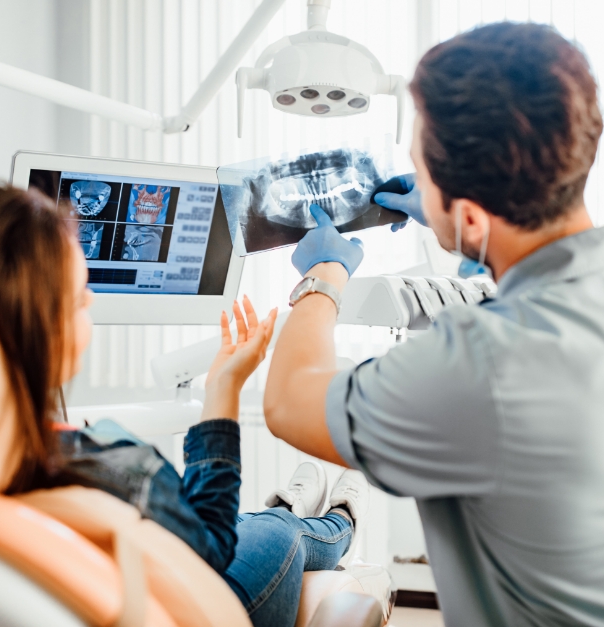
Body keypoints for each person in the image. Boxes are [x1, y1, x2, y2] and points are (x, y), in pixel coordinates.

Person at [264, 22, 604, 627]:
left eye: (423, 172)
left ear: (472, 216)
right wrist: (447, 215)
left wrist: (323, 278)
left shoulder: (482, 366)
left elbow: (289, 402)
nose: (417, 181)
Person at [0, 184, 371, 627]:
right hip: (203, 591)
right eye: (77, 298)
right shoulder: (112, 471)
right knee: (275, 529)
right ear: (34, 332)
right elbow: (211, 544)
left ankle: (296, 503)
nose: (90, 300)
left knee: (248, 520)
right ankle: (338, 521)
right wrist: (225, 386)